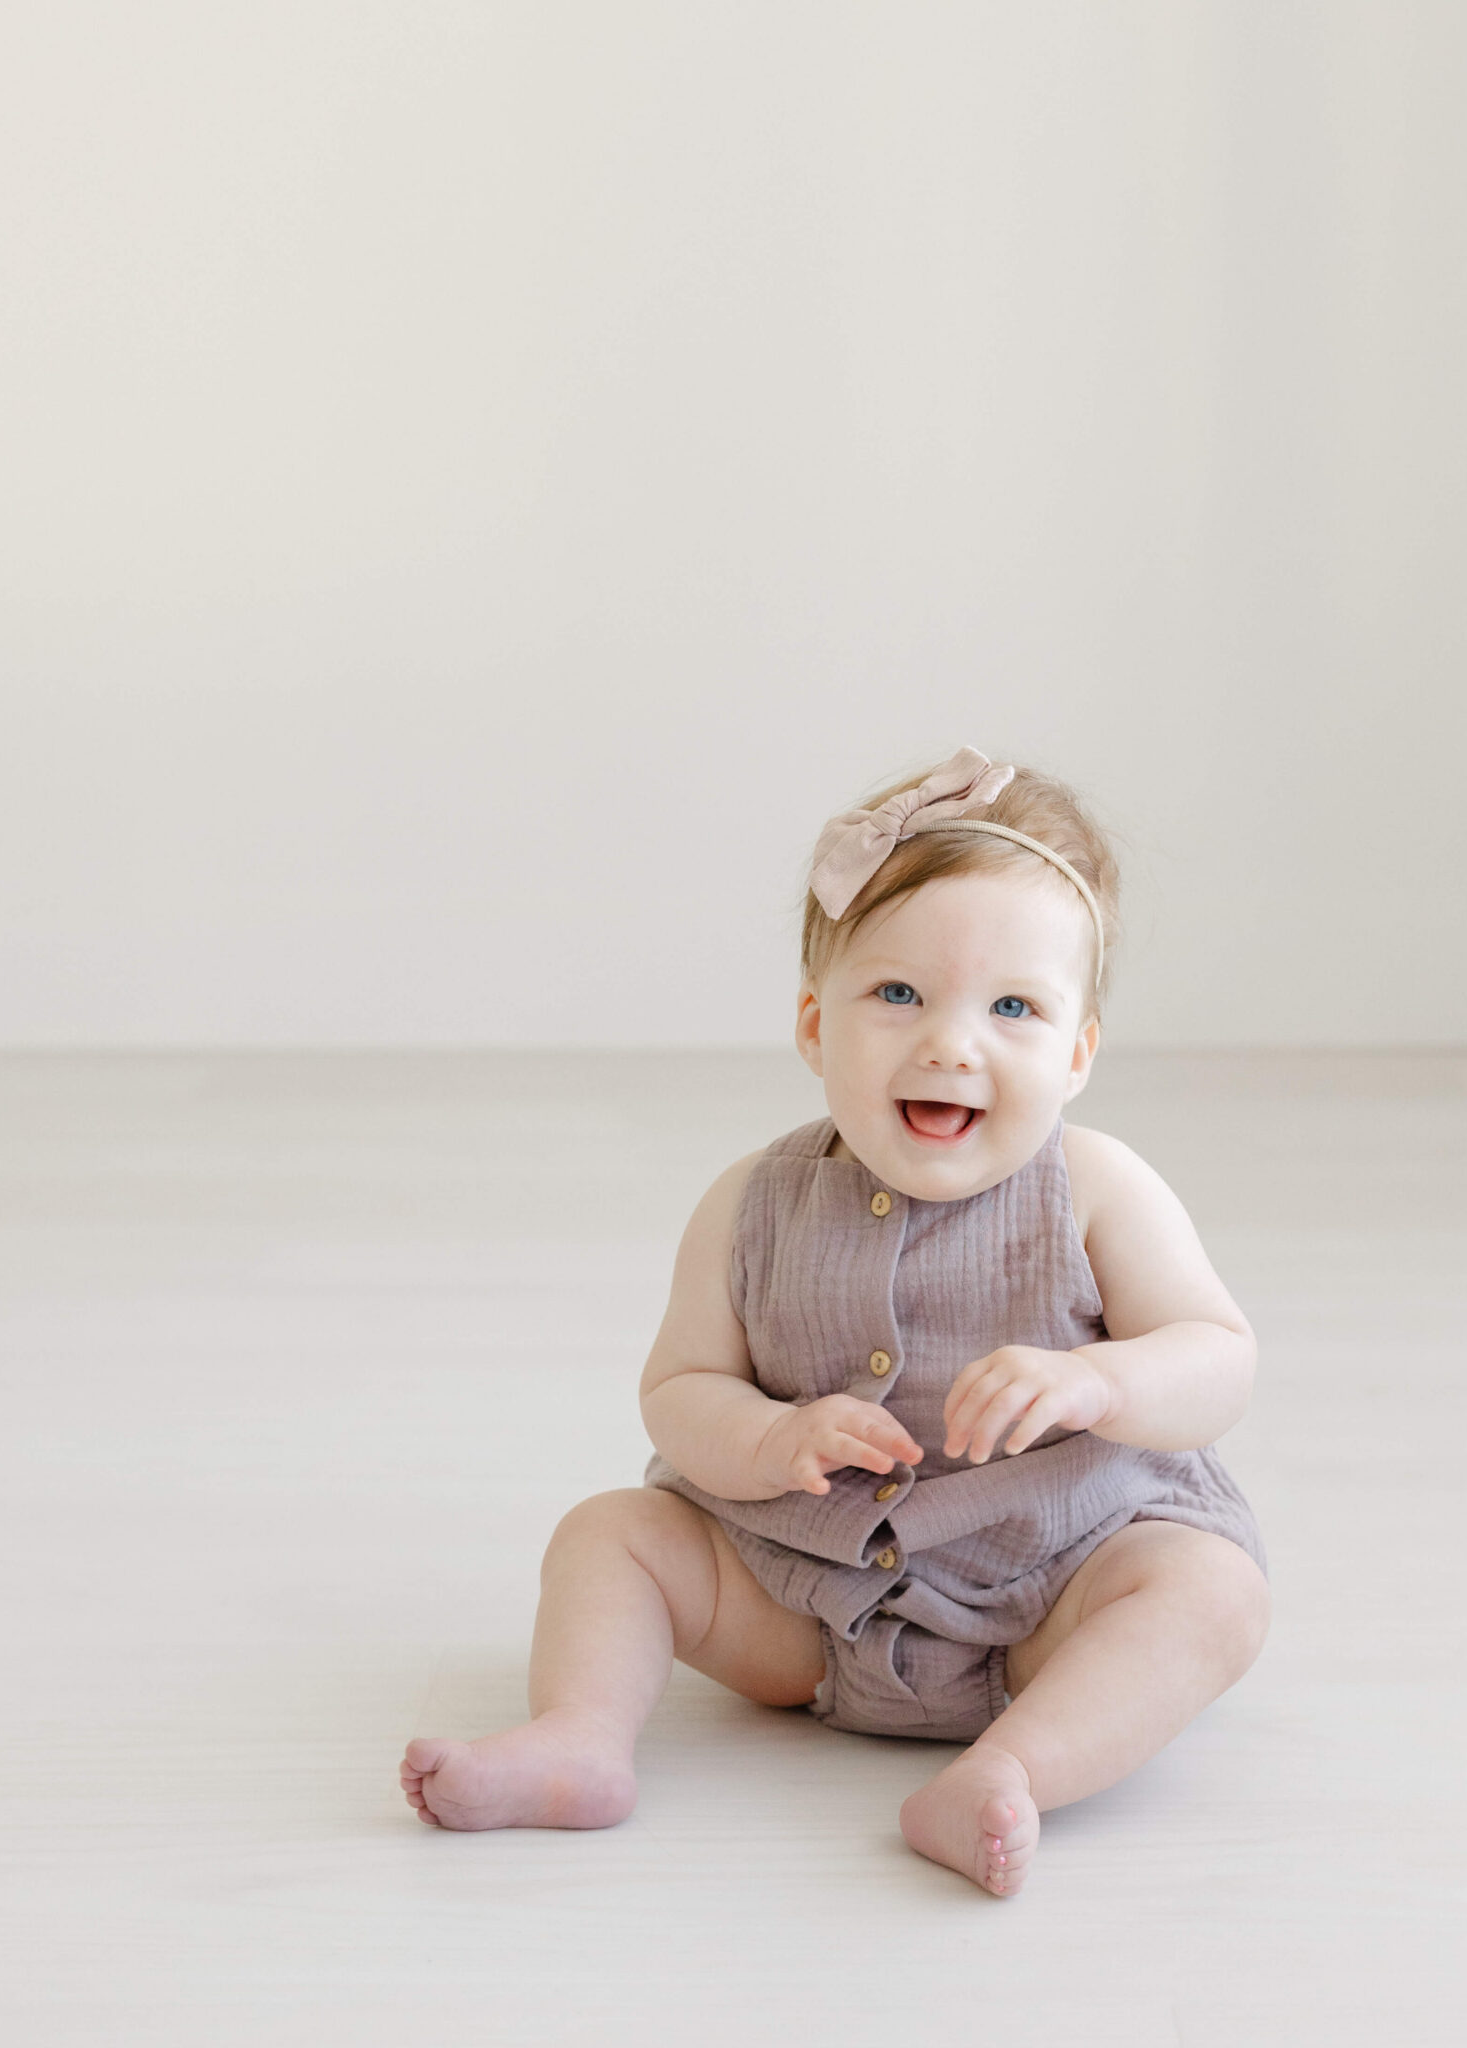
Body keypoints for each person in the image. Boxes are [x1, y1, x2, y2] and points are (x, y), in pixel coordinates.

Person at [400, 746, 1270, 1895]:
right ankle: (579, 1739)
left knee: (1212, 1594)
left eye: (1013, 1007)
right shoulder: (750, 1204)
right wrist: (764, 1441)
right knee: (608, 1534)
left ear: (1078, 1052)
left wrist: (1104, 1383)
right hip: (800, 1612)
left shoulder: (1098, 1190)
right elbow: (678, 1387)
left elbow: (1220, 1358)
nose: (952, 1042)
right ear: (815, 1024)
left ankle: (1008, 1771)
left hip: (1043, 1602)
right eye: (897, 993)